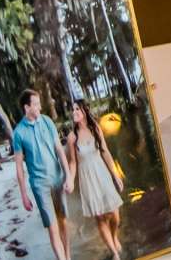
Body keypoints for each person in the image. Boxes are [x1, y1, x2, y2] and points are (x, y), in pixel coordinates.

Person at [9, 87, 70, 260]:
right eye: (36, 104)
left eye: (38, 104)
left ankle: (68, 256)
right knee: (52, 227)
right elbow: (19, 167)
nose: (40, 107)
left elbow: (59, 150)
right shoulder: (18, 133)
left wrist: (69, 176)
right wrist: (24, 195)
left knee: (63, 221)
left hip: (58, 179)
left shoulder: (48, 122)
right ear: (27, 108)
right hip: (39, 186)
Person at [64, 100, 127, 260]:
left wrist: (115, 175)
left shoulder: (95, 129)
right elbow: (72, 162)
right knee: (99, 216)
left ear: (84, 111)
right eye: (73, 110)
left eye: (77, 109)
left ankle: (114, 236)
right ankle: (114, 252)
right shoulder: (72, 137)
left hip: (102, 175)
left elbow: (105, 152)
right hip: (87, 179)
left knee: (114, 213)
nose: (74, 112)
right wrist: (70, 180)